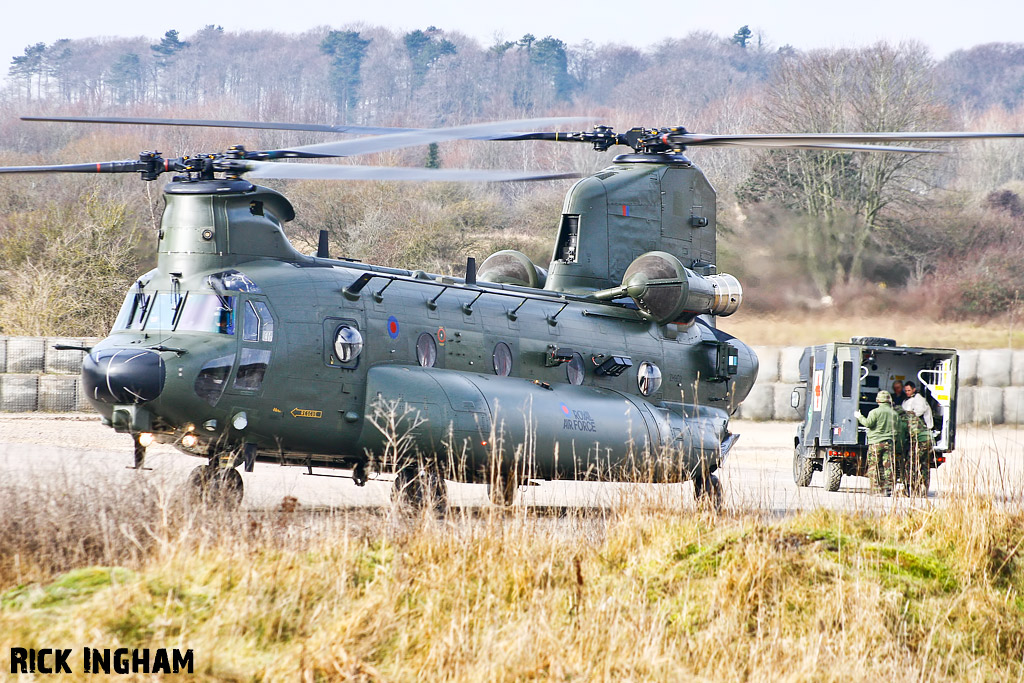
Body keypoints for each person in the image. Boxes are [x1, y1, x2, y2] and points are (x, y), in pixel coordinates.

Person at [856, 390, 901, 496]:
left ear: (878, 400)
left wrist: (859, 417)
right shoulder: (895, 414)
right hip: (889, 443)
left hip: (875, 443)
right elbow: (898, 430)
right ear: (889, 401)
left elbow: (868, 423)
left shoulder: (874, 412)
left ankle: (876, 490)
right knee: (888, 466)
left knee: (874, 466)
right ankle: (888, 490)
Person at [902, 381, 934, 495]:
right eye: (905, 391)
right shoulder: (908, 400)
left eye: (909, 390)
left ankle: (913, 487)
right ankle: (923, 487)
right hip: (925, 437)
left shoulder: (919, 400)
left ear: (914, 389)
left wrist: (908, 414)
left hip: (921, 436)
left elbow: (918, 413)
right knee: (924, 464)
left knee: (913, 463)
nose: (907, 392)